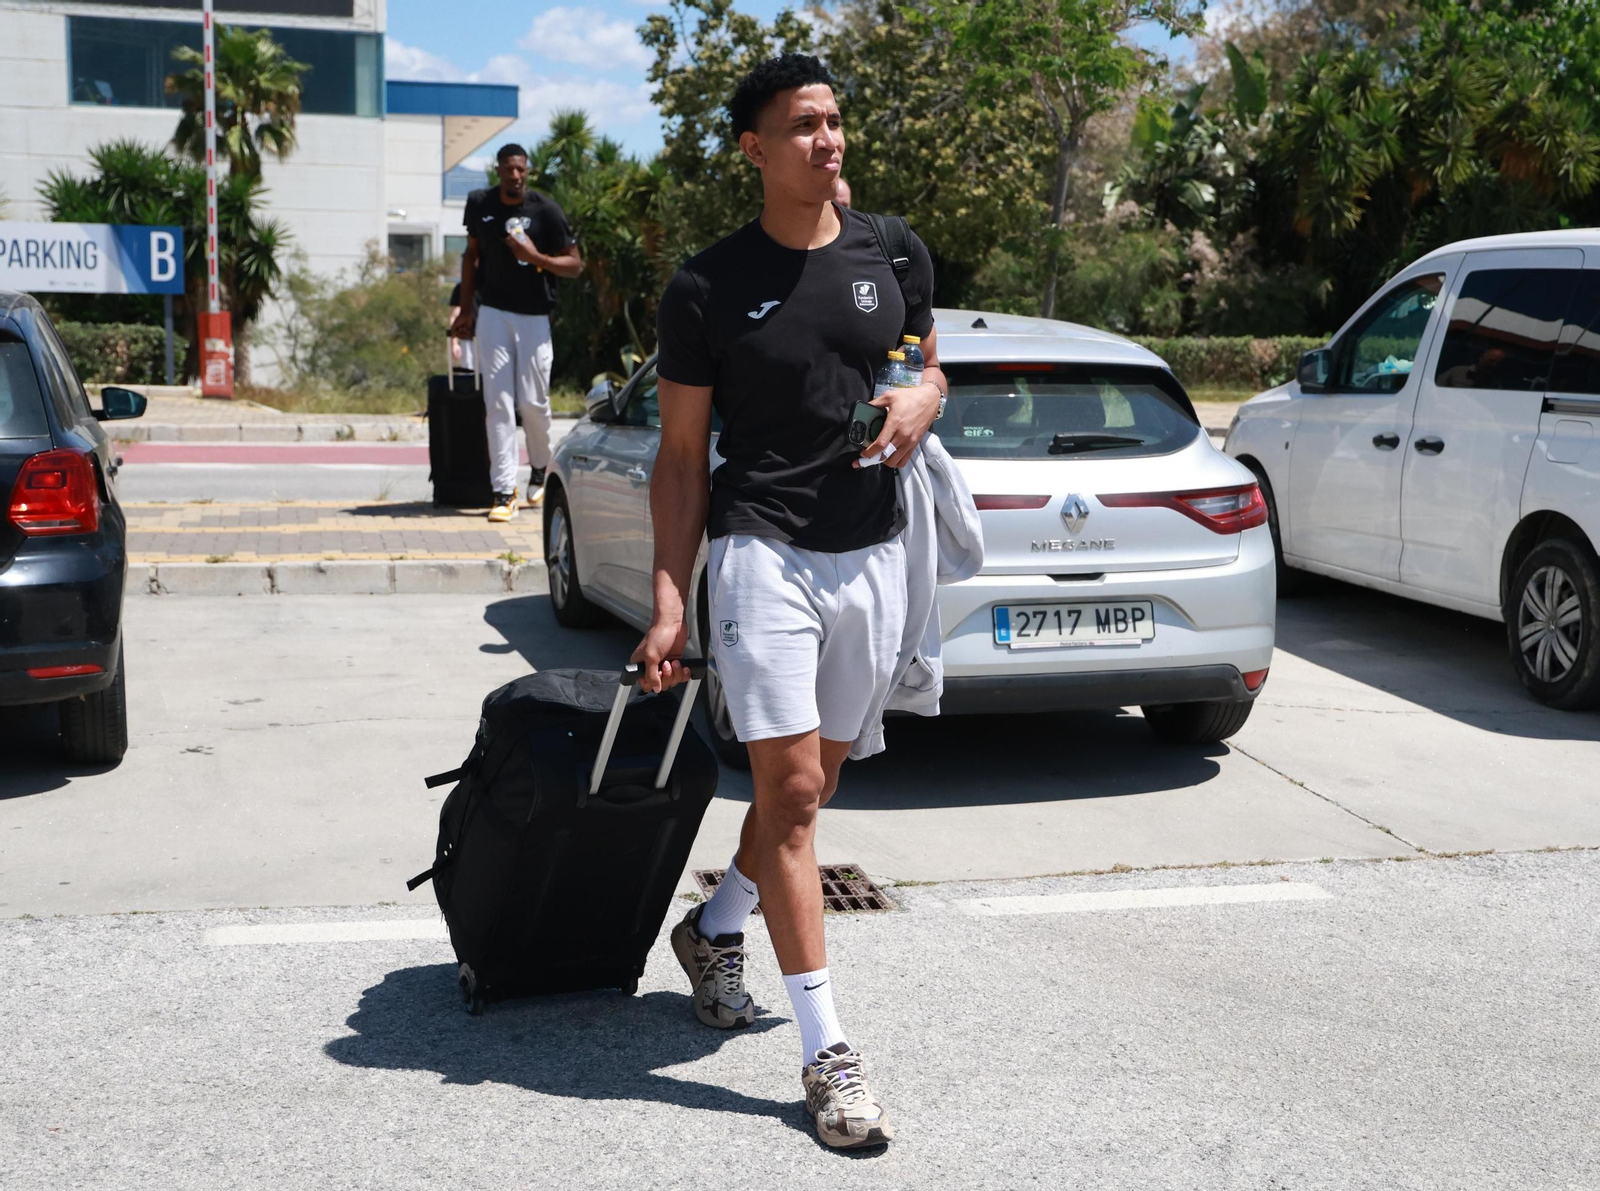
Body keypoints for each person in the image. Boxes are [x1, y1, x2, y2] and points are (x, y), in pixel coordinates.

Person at [634, 53, 947, 1150]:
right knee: (798, 790)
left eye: (834, 122)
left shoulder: (892, 249)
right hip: (761, 547)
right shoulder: (705, 288)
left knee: (817, 783)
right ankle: (827, 1055)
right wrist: (671, 601)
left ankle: (715, 926)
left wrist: (921, 396)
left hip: (874, 549)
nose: (828, 140)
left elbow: (926, 365)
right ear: (753, 150)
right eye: (803, 126)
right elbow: (678, 461)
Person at [450, 144, 583, 522]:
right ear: (498, 170)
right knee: (499, 403)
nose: (515, 176)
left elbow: (574, 265)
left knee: (533, 403)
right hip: (492, 312)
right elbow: (471, 256)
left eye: (521, 169)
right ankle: (503, 491)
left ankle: (540, 465)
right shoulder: (480, 203)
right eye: (508, 169)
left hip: (535, 317)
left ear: (528, 171)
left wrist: (535, 258)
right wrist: (464, 308)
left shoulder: (546, 210)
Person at [447, 281, 474, 374]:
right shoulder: (461, 288)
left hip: (488, 338)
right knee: (468, 370)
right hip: (467, 338)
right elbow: (454, 316)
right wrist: (454, 343)